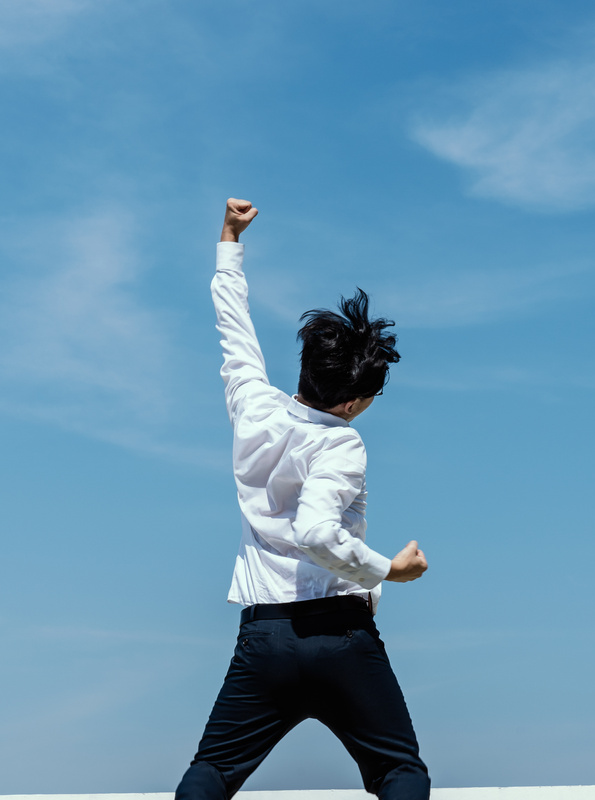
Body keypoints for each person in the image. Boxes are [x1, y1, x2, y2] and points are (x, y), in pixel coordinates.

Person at [174, 199, 431, 800]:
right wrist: (388, 569)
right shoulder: (342, 445)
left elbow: (233, 328)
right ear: (351, 402)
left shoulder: (253, 408)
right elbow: (317, 532)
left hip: (264, 639)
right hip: (341, 636)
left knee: (211, 773)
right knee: (399, 774)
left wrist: (229, 242)